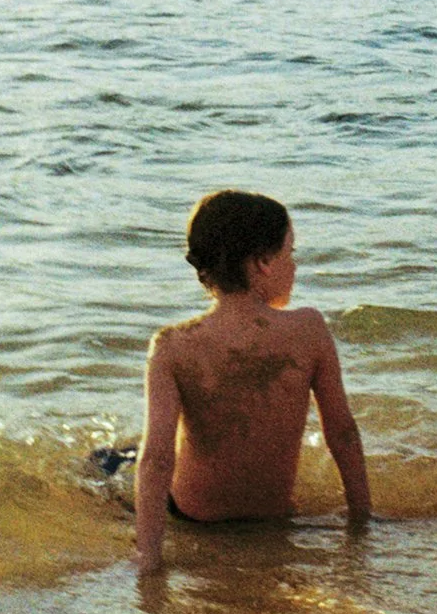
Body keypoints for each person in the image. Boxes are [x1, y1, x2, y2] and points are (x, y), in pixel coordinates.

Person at [132, 189, 370, 572]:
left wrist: (149, 560)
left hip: (197, 520)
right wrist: (362, 520)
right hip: (271, 518)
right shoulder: (309, 329)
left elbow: (156, 460)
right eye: (290, 254)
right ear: (262, 262)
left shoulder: (172, 345)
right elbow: (342, 433)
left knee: (110, 465)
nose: (294, 266)